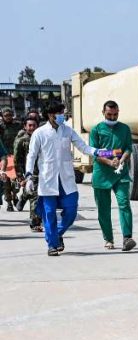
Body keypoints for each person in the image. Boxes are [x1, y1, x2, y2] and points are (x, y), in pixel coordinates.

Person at [26, 103, 115, 255]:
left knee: (71, 212)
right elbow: (32, 155)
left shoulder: (68, 131)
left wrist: (104, 153)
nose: (62, 116)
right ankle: (52, 245)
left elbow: (84, 147)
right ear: (50, 115)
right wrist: (28, 176)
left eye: (62, 113)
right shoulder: (40, 133)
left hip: (66, 179)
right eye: (59, 113)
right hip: (48, 180)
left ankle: (57, 234)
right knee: (49, 214)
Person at [89, 100, 135, 251]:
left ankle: (127, 237)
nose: (112, 117)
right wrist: (110, 161)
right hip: (102, 174)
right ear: (103, 113)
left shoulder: (125, 129)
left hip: (120, 173)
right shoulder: (96, 130)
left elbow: (128, 147)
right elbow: (94, 153)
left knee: (124, 204)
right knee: (104, 209)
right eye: (109, 114)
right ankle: (108, 238)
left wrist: (122, 159)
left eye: (115, 115)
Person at [12, 115, 42, 232]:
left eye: (34, 125)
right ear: (25, 126)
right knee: (36, 196)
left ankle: (23, 197)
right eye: (29, 125)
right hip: (30, 173)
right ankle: (35, 222)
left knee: (37, 194)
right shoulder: (21, 141)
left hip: (44, 172)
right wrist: (20, 177)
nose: (32, 128)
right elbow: (17, 160)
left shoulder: (42, 138)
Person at [1, 107, 23, 211]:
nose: (8, 117)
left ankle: (14, 196)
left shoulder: (17, 126)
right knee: (6, 182)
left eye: (10, 115)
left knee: (17, 182)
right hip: (4, 158)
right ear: (2, 116)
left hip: (16, 157)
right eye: (6, 115)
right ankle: (9, 202)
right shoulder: (0, 127)